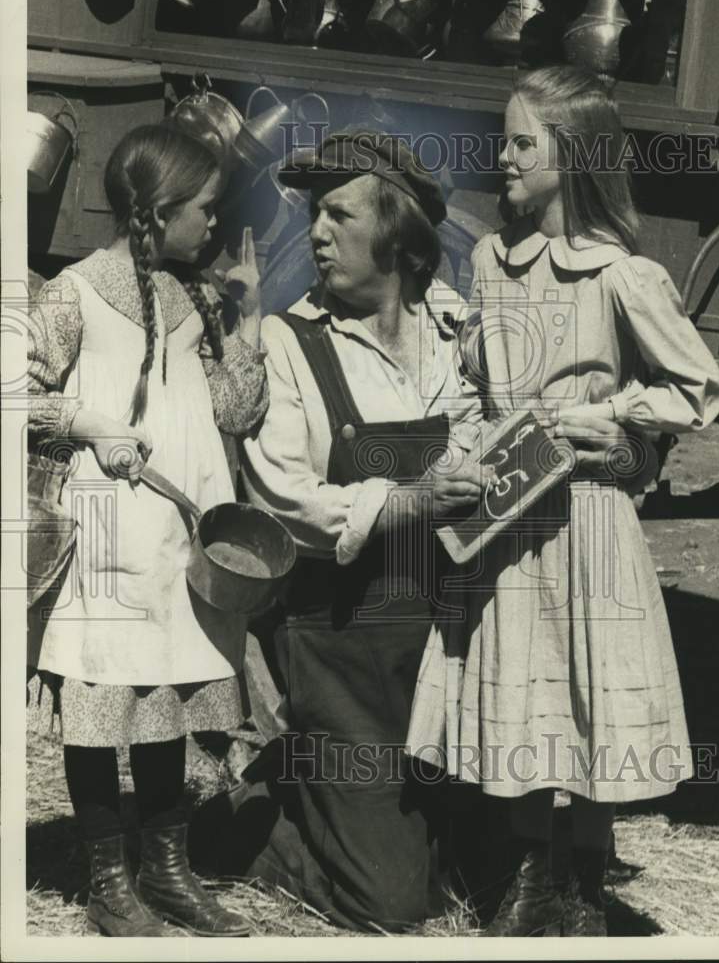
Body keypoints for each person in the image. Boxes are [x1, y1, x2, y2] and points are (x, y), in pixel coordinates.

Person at [405, 64, 719, 937]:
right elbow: (471, 386)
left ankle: (577, 885)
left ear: (573, 156)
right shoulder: (489, 261)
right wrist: (466, 454)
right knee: (520, 689)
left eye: (523, 143)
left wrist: (611, 415)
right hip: (506, 509)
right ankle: (525, 878)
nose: (503, 158)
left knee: (581, 685)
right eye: (504, 139)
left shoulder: (620, 277)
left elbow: (700, 389)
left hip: (583, 519)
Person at [188, 129, 497, 932]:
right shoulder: (292, 343)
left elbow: (485, 433)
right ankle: (258, 825)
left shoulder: (452, 332)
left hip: (441, 626)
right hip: (339, 632)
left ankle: (310, 783)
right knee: (392, 907)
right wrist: (409, 502)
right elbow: (283, 495)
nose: (317, 232)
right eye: (314, 215)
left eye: (339, 214)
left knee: (472, 876)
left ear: (397, 233)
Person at [26, 123, 268, 937]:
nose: (212, 224)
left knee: (165, 690)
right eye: (203, 209)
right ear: (158, 211)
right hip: (108, 533)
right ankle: (107, 881)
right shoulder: (77, 292)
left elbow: (238, 410)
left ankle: (166, 873)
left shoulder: (195, 294)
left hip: (183, 534)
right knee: (102, 700)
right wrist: (92, 423)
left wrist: (251, 323)